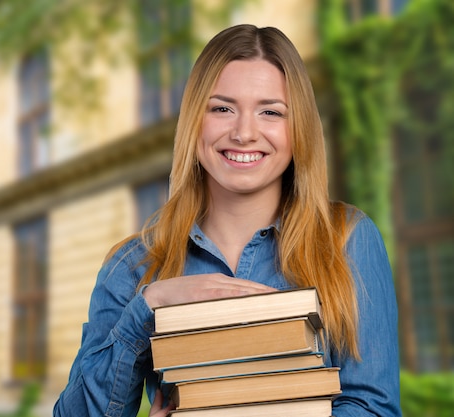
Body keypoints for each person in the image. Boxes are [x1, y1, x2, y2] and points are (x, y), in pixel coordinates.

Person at [54, 24, 400, 417]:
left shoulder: (348, 239)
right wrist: (149, 306)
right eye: (222, 108)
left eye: (271, 111)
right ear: (194, 122)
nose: (244, 133)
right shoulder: (130, 266)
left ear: (298, 127)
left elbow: (373, 408)